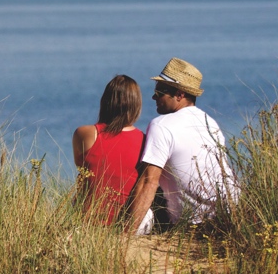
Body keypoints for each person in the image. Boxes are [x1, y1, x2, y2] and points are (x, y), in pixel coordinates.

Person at [123, 57, 237, 234]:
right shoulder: (210, 122)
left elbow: (149, 181)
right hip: (227, 217)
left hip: (191, 226)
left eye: (160, 91)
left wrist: (127, 235)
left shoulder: (161, 125)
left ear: (179, 95)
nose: (154, 96)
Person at [72, 75, 148, 226]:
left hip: (87, 220)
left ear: (105, 102)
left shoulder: (85, 134)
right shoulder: (145, 140)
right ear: (136, 105)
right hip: (127, 223)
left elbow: (83, 169)